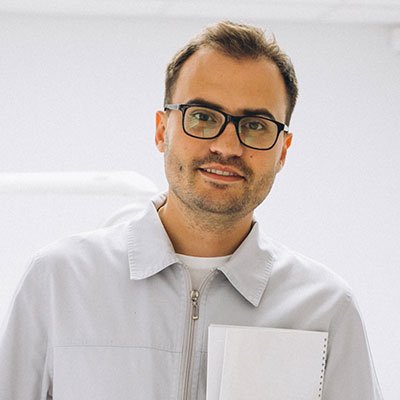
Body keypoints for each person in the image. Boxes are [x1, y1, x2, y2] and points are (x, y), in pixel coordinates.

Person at [0, 21, 382, 400]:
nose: (227, 146)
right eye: (202, 117)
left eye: (255, 125)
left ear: (283, 150)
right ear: (161, 130)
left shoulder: (326, 309)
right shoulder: (59, 282)